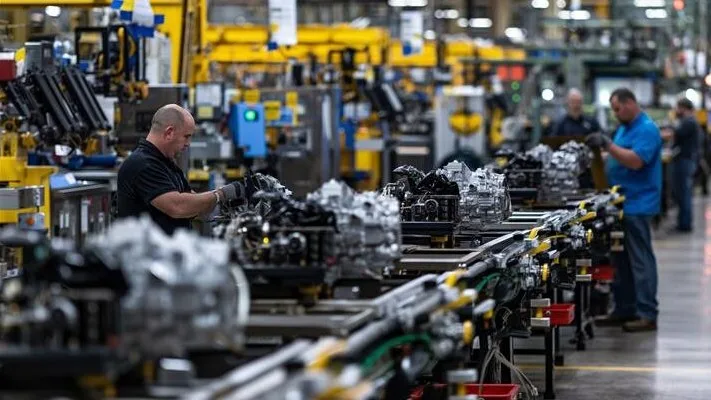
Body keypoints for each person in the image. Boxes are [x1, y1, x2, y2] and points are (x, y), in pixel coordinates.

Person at [586, 88, 662, 333]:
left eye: (617, 108)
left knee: (640, 261)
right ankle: (624, 309)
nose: (616, 114)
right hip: (620, 203)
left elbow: (635, 160)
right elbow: (617, 157)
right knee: (622, 261)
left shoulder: (647, 129)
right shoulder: (625, 128)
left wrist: (607, 144)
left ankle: (647, 313)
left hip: (638, 204)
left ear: (630, 103)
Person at [117, 104, 247, 234]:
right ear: (169, 132)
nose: (188, 143)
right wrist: (223, 194)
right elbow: (178, 207)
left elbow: (193, 204)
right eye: (186, 136)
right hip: (145, 252)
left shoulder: (166, 163)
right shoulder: (143, 164)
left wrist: (232, 197)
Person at [661, 97, 703, 232]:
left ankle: (685, 224)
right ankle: (682, 222)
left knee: (683, 193)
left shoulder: (689, 122)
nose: (676, 110)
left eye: (678, 108)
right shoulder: (688, 121)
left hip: (684, 162)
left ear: (684, 108)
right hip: (685, 161)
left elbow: (673, 133)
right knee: (681, 192)